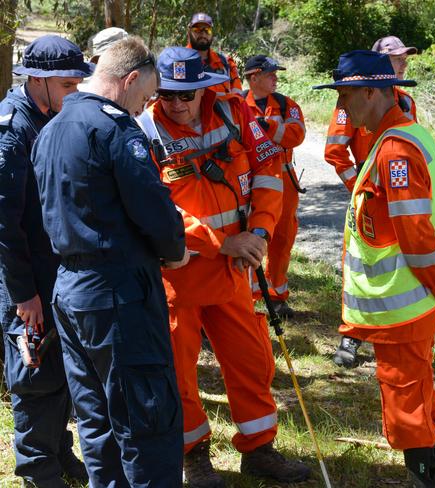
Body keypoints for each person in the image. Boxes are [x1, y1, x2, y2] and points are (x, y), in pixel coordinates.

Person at [137, 47, 311, 486]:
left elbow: (269, 168)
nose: (177, 104)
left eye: (186, 95)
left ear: (203, 89)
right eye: (168, 95)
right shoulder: (143, 129)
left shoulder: (234, 113)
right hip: (180, 275)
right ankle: (193, 456)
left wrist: (261, 232)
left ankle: (259, 449)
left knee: (251, 361)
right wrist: (222, 241)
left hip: (235, 269)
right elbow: (156, 209)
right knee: (180, 371)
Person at [31, 37, 188, 487]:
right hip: (118, 295)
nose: (145, 107)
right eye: (145, 96)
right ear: (131, 78)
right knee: (147, 418)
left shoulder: (52, 128)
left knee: (96, 420)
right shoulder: (114, 130)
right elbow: (155, 212)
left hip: (71, 292)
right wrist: (176, 251)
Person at [314, 50, 435, 487]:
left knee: (406, 413)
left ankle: (432, 477)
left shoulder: (395, 151)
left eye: (345, 97)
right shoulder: (409, 135)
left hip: (403, 309)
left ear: (372, 92)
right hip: (417, 302)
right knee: (421, 394)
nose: (341, 108)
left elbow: (419, 240)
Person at [0, 34, 90, 488]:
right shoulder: (12, 128)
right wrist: (24, 295)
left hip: (52, 272)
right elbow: (3, 225)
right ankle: (38, 469)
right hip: (24, 280)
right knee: (33, 373)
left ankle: (57, 451)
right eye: (69, 84)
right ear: (39, 81)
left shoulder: (48, 117)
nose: (76, 92)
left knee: (58, 371)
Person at [330, 35, 418, 368]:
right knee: (358, 267)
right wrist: (362, 188)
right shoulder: (351, 101)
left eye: (404, 57)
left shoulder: (406, 103)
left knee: (395, 269)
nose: (403, 62)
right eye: (396, 57)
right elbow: (335, 151)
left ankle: (391, 330)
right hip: (369, 200)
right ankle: (351, 336)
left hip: (398, 198)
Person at [243, 54, 306, 318]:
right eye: (270, 74)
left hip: (285, 185)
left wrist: (265, 126)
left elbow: (297, 135)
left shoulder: (285, 105)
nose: (275, 78)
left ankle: (277, 295)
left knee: (282, 240)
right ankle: (248, 297)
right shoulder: (236, 105)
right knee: (250, 239)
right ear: (253, 77)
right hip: (250, 185)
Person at [187, 12, 243, 95]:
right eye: (197, 30)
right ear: (189, 33)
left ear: (212, 34)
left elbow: (237, 99)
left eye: (207, 30)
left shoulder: (226, 63)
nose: (203, 34)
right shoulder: (179, 61)